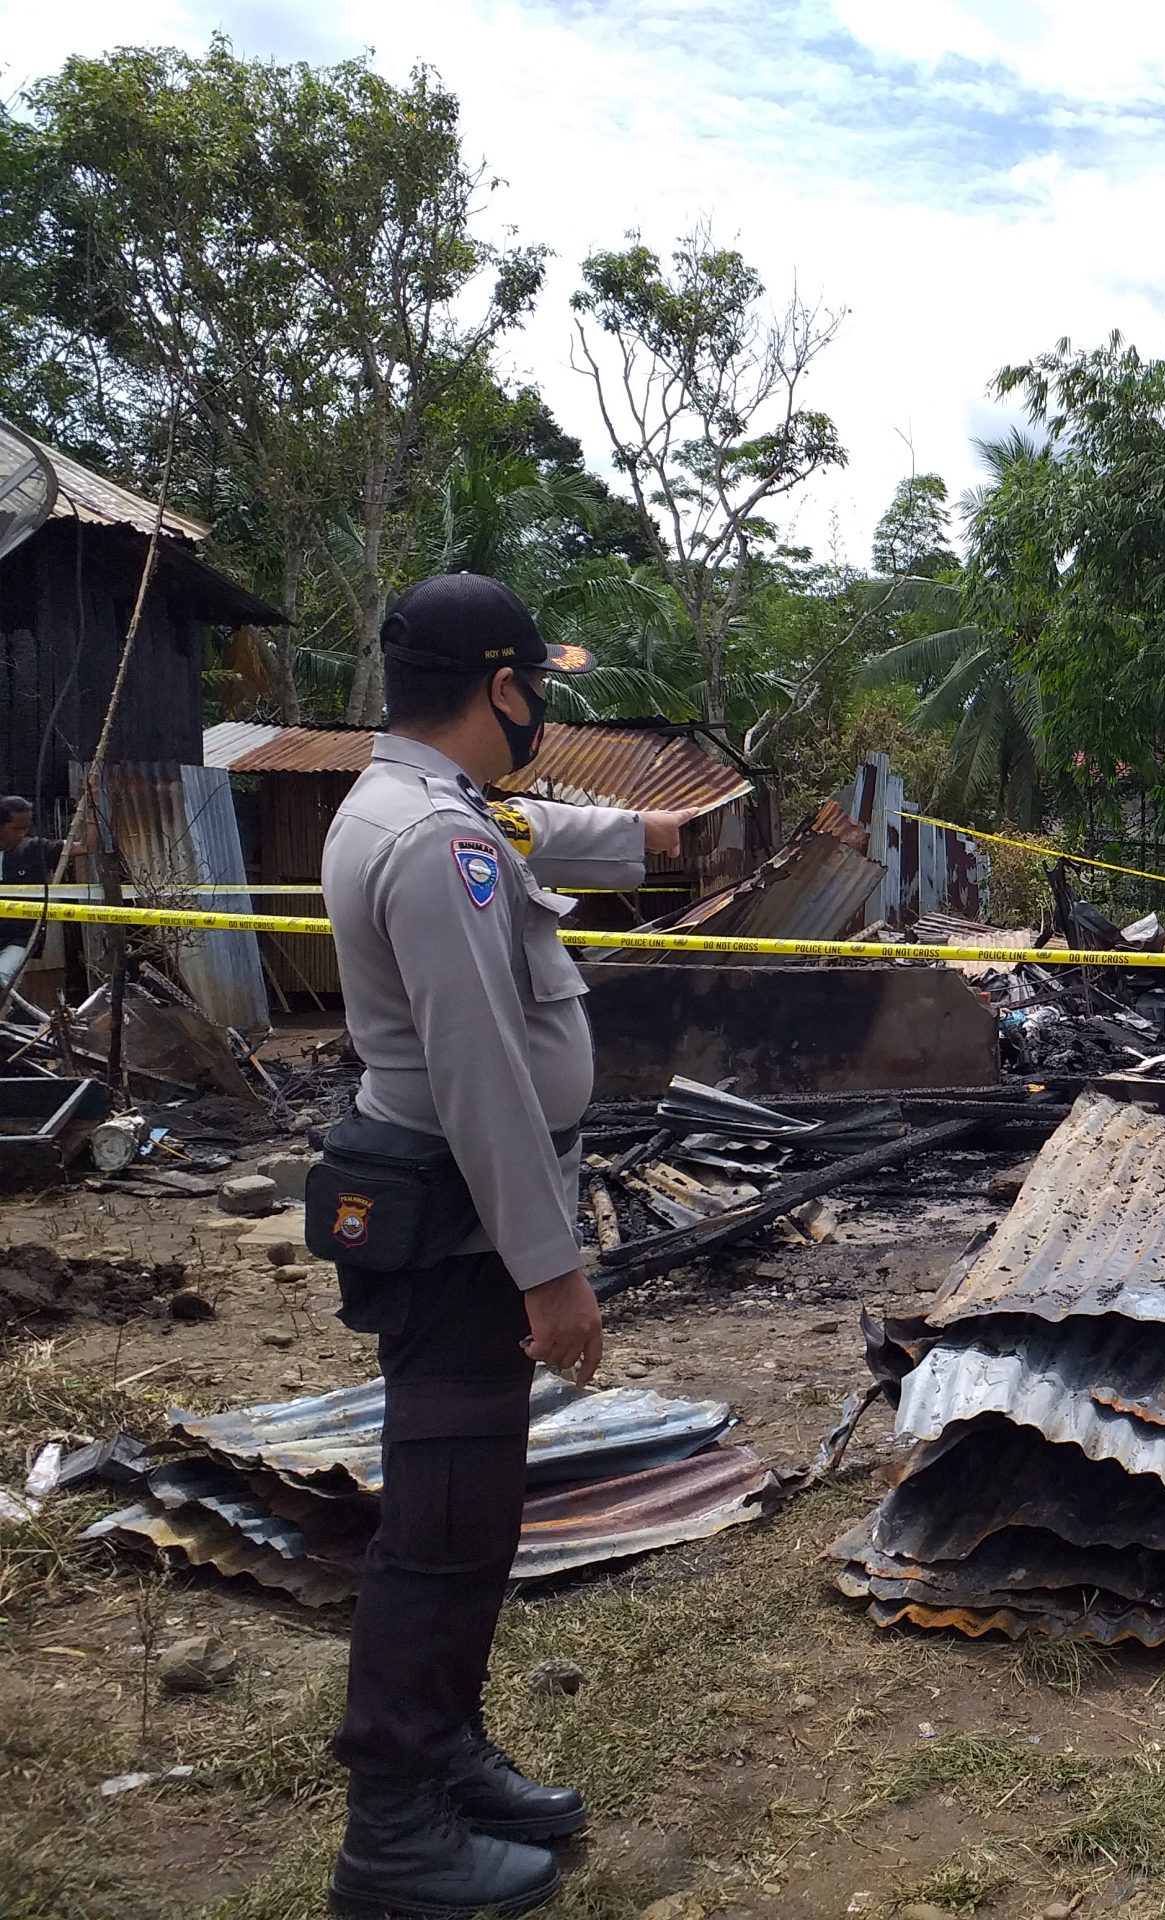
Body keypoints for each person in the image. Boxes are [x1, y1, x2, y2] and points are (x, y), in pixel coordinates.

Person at [317, 573, 683, 1919]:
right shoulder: (434, 844)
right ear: (503, 687)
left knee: (468, 1522)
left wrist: (674, 833)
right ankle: (394, 1828)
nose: (541, 710)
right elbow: (480, 1070)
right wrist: (555, 1271)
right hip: (465, 1231)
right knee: (442, 1525)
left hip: (454, 1217)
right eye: (538, 686)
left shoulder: (438, 808)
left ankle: (449, 1754)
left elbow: (556, 835)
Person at [0, 795, 92, 991]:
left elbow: (86, 846)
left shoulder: (34, 849)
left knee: (2, 976)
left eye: (25, 828)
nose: (21, 834)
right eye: (16, 828)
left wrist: (92, 811)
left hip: (20, 936)